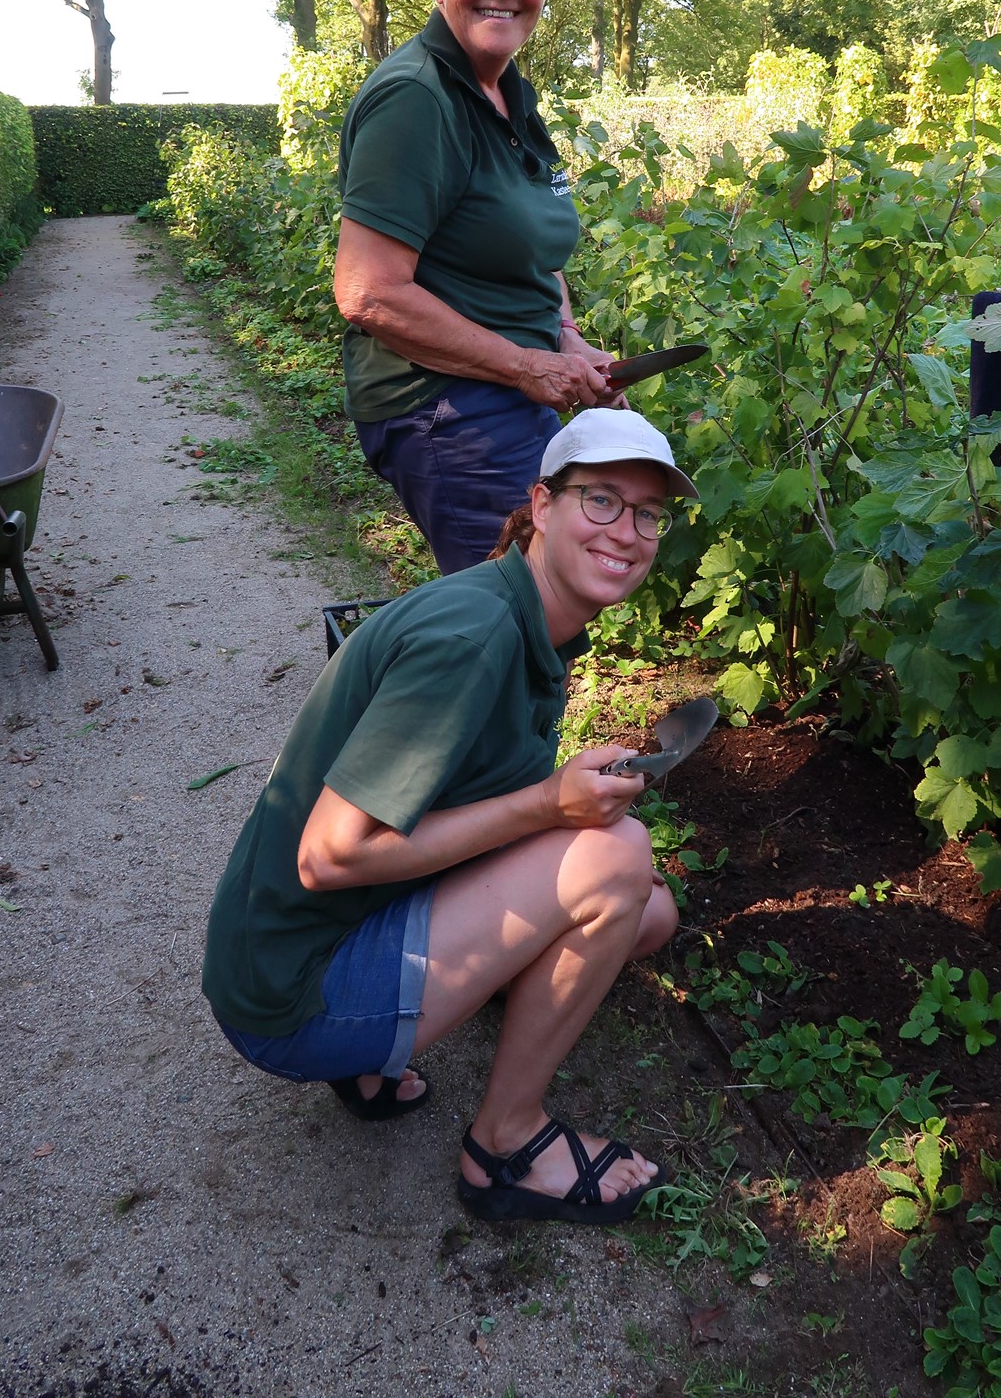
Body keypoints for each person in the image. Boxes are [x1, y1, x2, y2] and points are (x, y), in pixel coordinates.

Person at [202, 409, 696, 1225]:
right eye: (601, 500)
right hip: (293, 993)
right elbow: (328, 856)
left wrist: (558, 809)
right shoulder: (472, 637)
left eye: (648, 513)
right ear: (542, 506)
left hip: (316, 937)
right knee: (617, 862)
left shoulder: (527, 617)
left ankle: (398, 1041)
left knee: (648, 912)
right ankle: (505, 1145)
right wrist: (549, 806)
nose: (629, 530)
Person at [334, 0, 621, 576]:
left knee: (543, 616)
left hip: (504, 392)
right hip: (448, 411)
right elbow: (367, 291)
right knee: (514, 621)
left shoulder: (509, 95)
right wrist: (529, 366)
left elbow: (532, 247)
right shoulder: (417, 99)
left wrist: (566, 338)